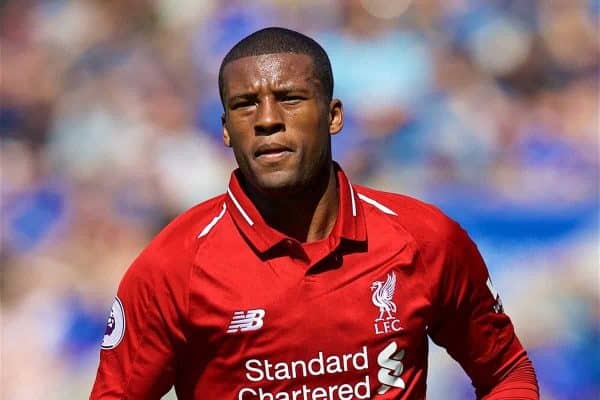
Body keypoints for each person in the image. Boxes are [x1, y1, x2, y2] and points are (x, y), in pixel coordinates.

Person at [90, 27, 539, 399]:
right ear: (226, 131)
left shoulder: (423, 238)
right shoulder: (174, 265)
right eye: (245, 104)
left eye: (289, 98)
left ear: (333, 115)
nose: (267, 119)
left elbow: (506, 373)